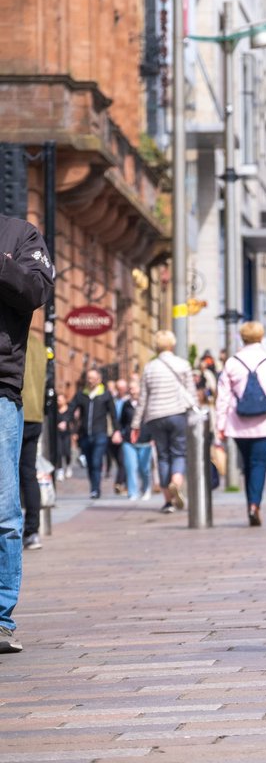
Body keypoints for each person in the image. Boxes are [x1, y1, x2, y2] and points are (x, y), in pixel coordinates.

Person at [0, 214, 55, 654]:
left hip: (0, 392)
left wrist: (2, 264)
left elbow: (36, 291)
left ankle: (0, 618)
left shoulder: (20, 236)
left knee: (2, 512)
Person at [215, 321, 266, 526]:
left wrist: (220, 426)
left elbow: (222, 397)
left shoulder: (232, 362)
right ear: (261, 337)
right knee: (259, 464)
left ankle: (251, 502)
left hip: (239, 424)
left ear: (242, 337)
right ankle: (255, 504)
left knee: (247, 464)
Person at [130, 331, 194, 514]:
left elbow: (142, 399)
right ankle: (176, 481)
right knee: (179, 452)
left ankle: (168, 501)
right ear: (172, 345)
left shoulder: (149, 368)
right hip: (177, 414)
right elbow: (191, 393)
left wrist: (135, 425)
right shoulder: (183, 365)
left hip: (155, 416)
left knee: (163, 456)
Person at [69, 368, 117, 500]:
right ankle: (93, 487)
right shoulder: (81, 394)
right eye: (88, 378)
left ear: (99, 380)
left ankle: (96, 489)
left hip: (100, 433)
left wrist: (116, 431)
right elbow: (71, 409)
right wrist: (70, 427)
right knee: (90, 463)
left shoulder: (105, 395)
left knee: (96, 461)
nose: (90, 381)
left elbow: (113, 414)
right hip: (85, 435)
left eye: (93, 378)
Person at [18, 330, 45, 551]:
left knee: (9, 473)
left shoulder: (12, 337)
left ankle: (14, 530)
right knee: (28, 473)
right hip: (35, 415)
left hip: (16, 410)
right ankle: (33, 530)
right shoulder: (38, 344)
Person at [119, 381, 154, 501]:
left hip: (146, 440)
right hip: (129, 441)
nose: (132, 391)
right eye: (130, 388)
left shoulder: (147, 403)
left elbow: (153, 421)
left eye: (134, 388)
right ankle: (133, 492)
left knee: (144, 468)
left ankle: (146, 488)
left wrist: (153, 437)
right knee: (131, 467)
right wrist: (121, 434)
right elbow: (122, 422)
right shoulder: (126, 404)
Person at [54, 391, 72, 481]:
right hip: (57, 434)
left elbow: (73, 421)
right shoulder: (55, 410)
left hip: (66, 434)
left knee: (67, 452)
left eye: (60, 399)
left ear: (65, 400)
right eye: (57, 400)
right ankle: (60, 470)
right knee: (59, 452)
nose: (59, 401)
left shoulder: (69, 410)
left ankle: (68, 466)